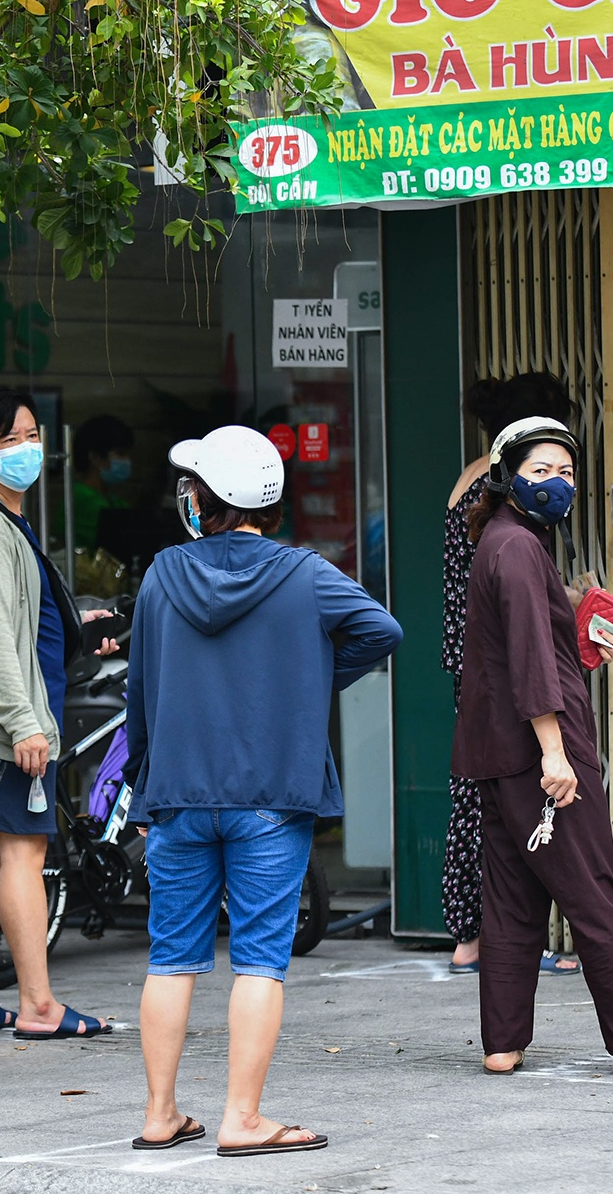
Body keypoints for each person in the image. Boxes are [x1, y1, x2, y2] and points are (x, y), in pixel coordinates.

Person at [126, 426, 402, 1156]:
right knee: (258, 961)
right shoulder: (307, 575)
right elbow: (383, 630)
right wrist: (307, 684)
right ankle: (242, 1118)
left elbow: (141, 692)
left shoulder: (161, 574)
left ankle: (160, 1114)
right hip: (272, 800)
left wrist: (141, 789)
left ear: (206, 501)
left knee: (171, 956)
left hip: (177, 793)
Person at [456, 418, 613, 1076]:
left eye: (566, 473)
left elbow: (527, 648)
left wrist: (580, 633)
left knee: (511, 903)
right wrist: (555, 755)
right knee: (594, 892)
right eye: (542, 472)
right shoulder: (520, 549)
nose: (558, 484)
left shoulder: (503, 543)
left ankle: (503, 1045)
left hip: (497, 755)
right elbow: (531, 660)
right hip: (540, 753)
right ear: (509, 476)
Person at [0, 390, 117, 1039]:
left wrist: (72, 624)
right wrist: (23, 724)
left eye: (34, 433)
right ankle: (39, 1005)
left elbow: (15, 618)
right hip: (6, 728)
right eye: (13, 439)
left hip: (1, 724)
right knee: (21, 851)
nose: (28, 449)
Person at [442, 372, 598, 978]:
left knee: (477, 793)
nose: (558, 475)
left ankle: (472, 934)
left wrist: (562, 596)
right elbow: (514, 588)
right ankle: (511, 932)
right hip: (502, 658)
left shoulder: (470, 479)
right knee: (524, 790)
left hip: (470, 651)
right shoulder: (504, 486)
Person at [70, 413, 135, 553]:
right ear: (96, 457)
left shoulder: (112, 499)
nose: (127, 461)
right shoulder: (80, 498)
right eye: (120, 454)